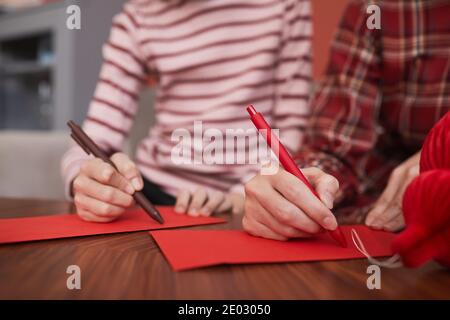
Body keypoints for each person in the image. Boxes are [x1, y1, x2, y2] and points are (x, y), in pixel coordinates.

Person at [61, 0, 312, 222]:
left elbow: (290, 132)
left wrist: (244, 193)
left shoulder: (284, 5)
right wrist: (83, 182)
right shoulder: (137, 16)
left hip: (253, 195)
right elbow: (92, 141)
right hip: (152, 194)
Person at [243, 0, 450, 240]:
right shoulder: (376, 8)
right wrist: (300, 189)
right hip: (384, 230)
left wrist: (441, 157)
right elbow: (334, 151)